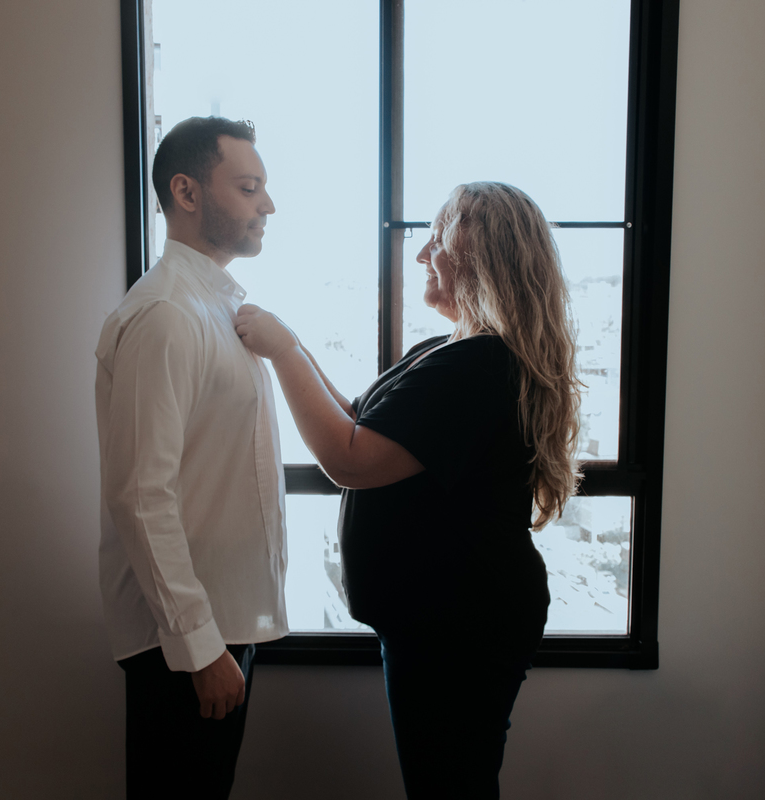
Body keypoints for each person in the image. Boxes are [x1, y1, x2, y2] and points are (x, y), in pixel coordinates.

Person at [236, 181, 582, 799]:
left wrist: (283, 351)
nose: (422, 256)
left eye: (436, 241)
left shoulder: (477, 368)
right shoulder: (449, 352)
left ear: (479, 258)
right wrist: (289, 342)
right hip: (446, 618)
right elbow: (354, 419)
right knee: (449, 784)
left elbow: (351, 459)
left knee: (448, 789)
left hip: (460, 623)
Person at [94, 116, 285, 800]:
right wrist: (201, 645)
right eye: (248, 186)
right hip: (183, 641)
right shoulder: (169, 317)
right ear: (187, 191)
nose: (268, 205)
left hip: (215, 623)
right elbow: (141, 495)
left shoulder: (214, 309)